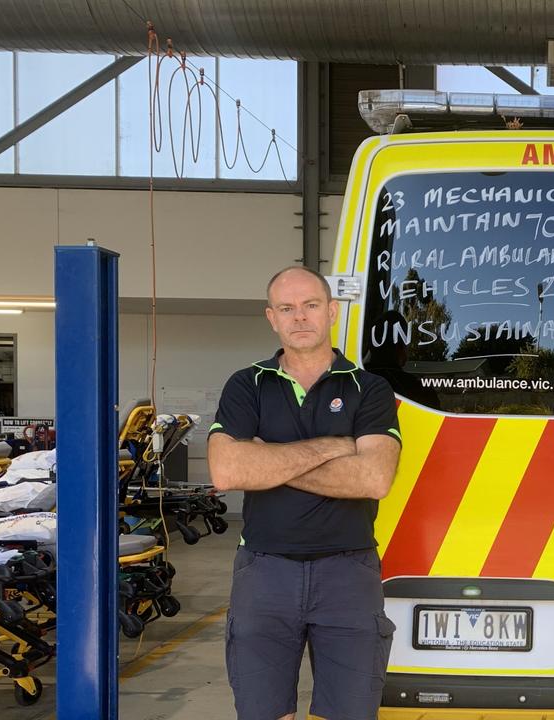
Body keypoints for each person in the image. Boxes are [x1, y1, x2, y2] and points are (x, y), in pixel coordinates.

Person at [207, 266, 401, 720]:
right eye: (287, 308)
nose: (300, 317)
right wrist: (335, 449)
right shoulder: (246, 384)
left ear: (331, 311)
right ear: (271, 317)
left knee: (350, 713)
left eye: (311, 305)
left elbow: (374, 479)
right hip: (264, 569)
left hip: (348, 572)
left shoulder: (369, 388)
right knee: (263, 713)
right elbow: (227, 469)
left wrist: (267, 461)